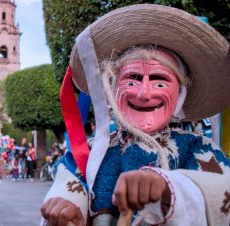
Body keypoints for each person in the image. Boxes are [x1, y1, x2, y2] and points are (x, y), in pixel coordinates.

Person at [41, 4, 230, 226]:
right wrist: (68, 204)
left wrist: (169, 188)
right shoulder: (91, 153)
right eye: (132, 80)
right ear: (113, 90)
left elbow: (223, 191)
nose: (144, 94)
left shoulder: (197, 147)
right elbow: (68, 184)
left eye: (160, 81)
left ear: (180, 94)